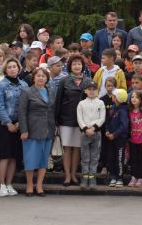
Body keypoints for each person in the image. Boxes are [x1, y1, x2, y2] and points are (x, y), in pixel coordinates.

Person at [55, 55, 92, 186]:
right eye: (74, 64)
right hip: (65, 119)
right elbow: (58, 101)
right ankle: (67, 176)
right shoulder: (64, 81)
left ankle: (74, 175)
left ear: (83, 66)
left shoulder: (88, 81)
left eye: (79, 64)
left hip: (82, 121)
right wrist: (56, 120)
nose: (77, 66)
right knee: (67, 148)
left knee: (77, 148)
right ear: (70, 66)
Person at [18, 68, 56, 197]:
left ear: (47, 78)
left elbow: (52, 111)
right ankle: (29, 185)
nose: (41, 78)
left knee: (43, 160)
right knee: (30, 159)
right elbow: (22, 113)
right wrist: (24, 130)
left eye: (43, 76)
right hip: (32, 130)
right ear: (33, 78)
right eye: (38, 76)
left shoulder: (50, 91)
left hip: (48, 129)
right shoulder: (27, 92)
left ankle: (39, 185)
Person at [0, 57, 28, 197]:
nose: (12, 69)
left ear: (19, 68)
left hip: (19, 124)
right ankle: (1, 185)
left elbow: (26, 106)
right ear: (5, 70)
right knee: (5, 156)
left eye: (15, 66)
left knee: (14, 157)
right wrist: (8, 123)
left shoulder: (24, 85)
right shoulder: (1, 85)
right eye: (10, 67)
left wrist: (20, 122)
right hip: (4, 124)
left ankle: (9, 183)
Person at [77, 81, 105, 190]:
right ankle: (84, 178)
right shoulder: (81, 103)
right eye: (89, 89)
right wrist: (85, 129)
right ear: (85, 91)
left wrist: (93, 128)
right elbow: (80, 118)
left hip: (96, 133)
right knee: (85, 157)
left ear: (97, 90)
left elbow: (102, 118)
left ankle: (92, 178)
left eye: (94, 89)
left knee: (94, 157)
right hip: (85, 134)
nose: (92, 91)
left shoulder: (100, 103)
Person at [105, 89, 129, 187]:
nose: (112, 97)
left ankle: (120, 177)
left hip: (120, 139)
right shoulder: (112, 108)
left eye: (114, 96)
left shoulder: (123, 110)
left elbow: (124, 126)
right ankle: (113, 176)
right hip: (110, 139)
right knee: (111, 157)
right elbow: (107, 121)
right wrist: (107, 131)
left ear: (118, 98)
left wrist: (114, 134)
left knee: (119, 158)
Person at [127, 90, 142, 187]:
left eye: (136, 97)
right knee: (133, 159)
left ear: (141, 100)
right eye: (132, 97)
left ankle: (141, 178)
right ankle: (133, 177)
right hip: (132, 140)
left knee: (141, 159)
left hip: (141, 140)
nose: (134, 99)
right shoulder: (129, 111)